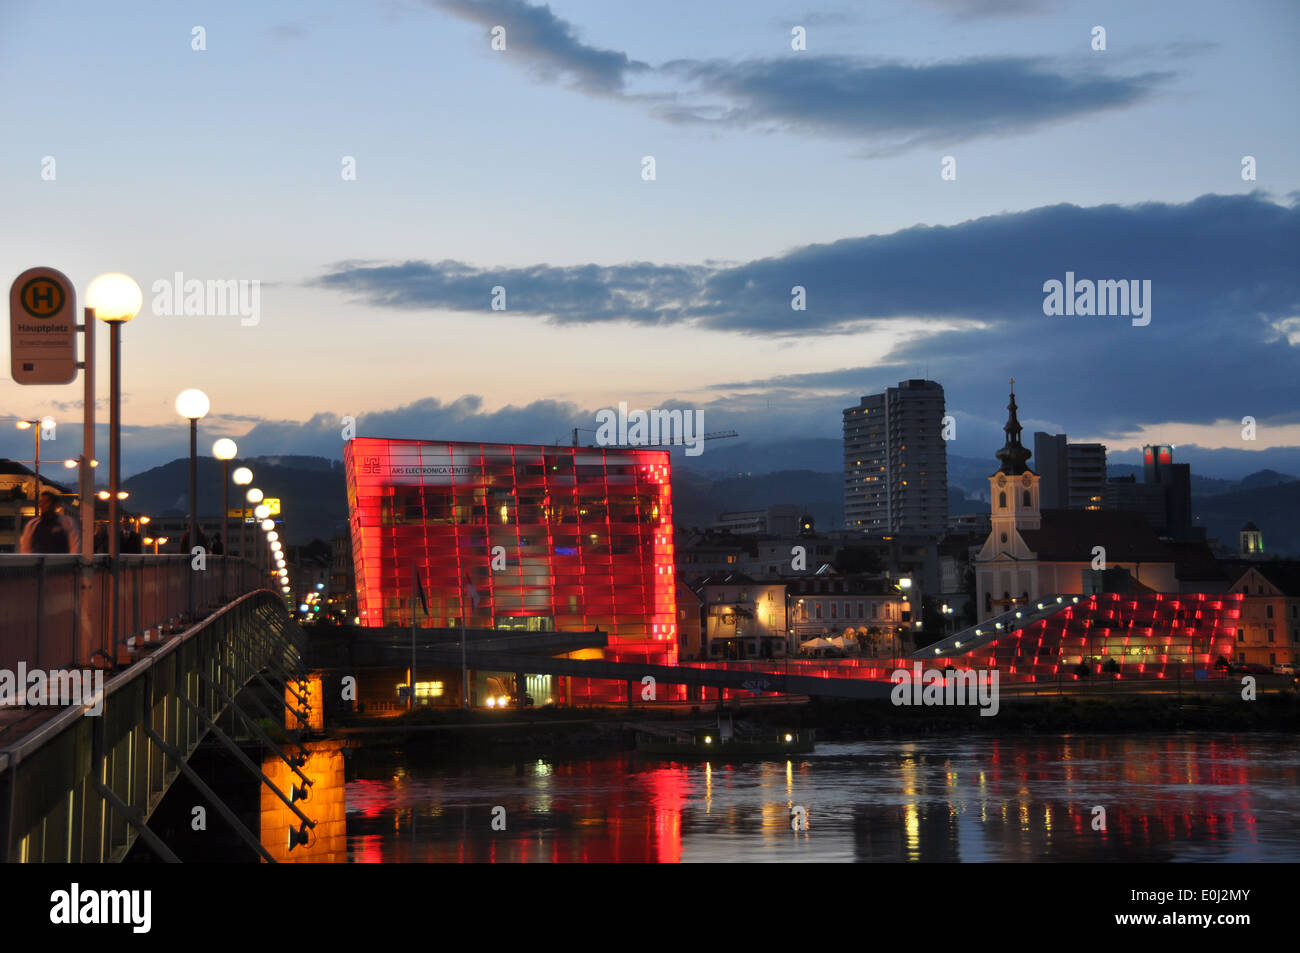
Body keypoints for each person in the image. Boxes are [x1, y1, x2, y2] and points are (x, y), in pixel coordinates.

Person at [19, 490, 81, 554]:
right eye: (41, 502)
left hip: (61, 562)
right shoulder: (32, 524)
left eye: (46, 502)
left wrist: (69, 561)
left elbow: (75, 545)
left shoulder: (67, 522)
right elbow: (25, 548)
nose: (42, 504)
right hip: (39, 562)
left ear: (55, 504)